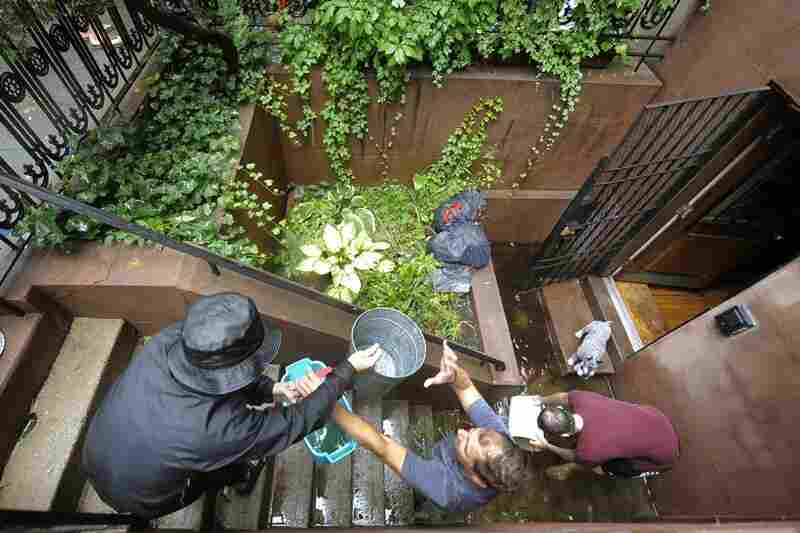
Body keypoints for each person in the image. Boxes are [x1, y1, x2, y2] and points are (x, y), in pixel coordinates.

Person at [82, 292, 381, 519]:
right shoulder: (216, 433)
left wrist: (272, 390)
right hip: (140, 497)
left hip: (98, 450)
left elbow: (208, 379)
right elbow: (295, 423)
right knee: (222, 467)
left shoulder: (172, 341)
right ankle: (237, 476)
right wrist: (348, 369)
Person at [328, 341, 533, 513]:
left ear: (476, 478)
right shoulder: (497, 440)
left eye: (464, 445)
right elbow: (466, 388)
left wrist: (326, 401)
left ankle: (421, 510)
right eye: (472, 431)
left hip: (441, 497)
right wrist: (454, 374)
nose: (461, 432)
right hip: (444, 463)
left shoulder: (448, 490)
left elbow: (382, 446)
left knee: (427, 505)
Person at [529, 391, 679, 479]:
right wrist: (540, 399)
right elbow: (563, 396)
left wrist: (547, 445)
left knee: (598, 468)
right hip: (658, 418)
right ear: (564, 410)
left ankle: (570, 469)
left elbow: (575, 457)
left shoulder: (589, 450)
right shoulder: (581, 399)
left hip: (665, 455)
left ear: (564, 435)